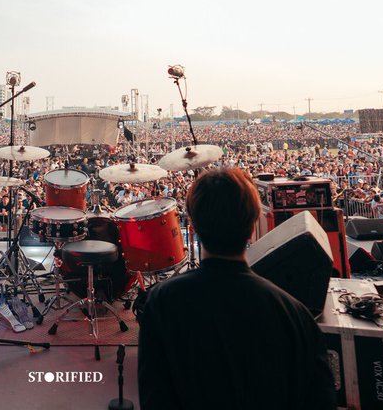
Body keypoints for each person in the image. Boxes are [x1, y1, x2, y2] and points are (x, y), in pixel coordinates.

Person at [137, 167, 335, 410]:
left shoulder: (162, 303)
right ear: (253, 226)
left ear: (193, 228)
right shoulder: (296, 316)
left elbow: (154, 397)